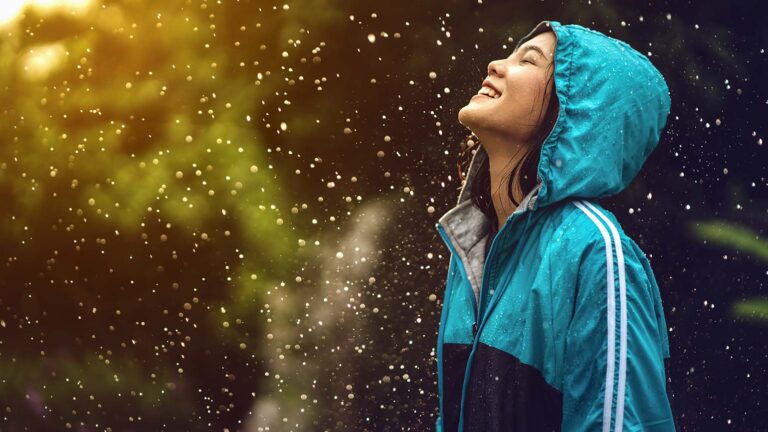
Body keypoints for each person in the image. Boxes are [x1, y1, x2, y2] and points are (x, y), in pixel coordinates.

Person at [434, 20, 678, 431]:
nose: (496, 65)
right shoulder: (475, 243)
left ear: (576, 111)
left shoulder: (595, 250)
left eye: (528, 60)